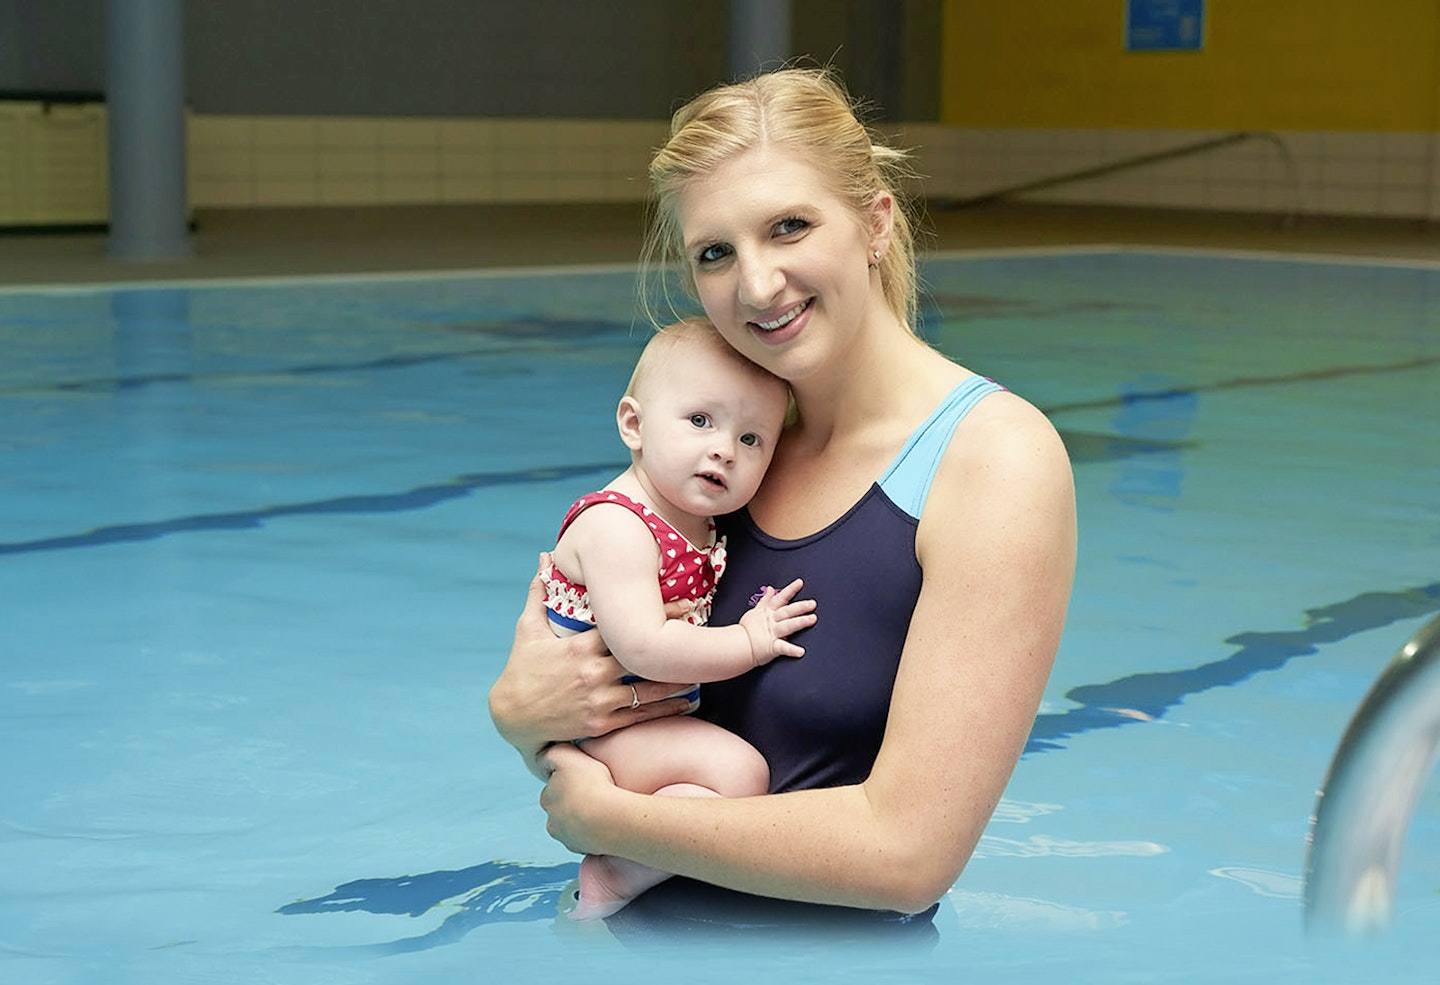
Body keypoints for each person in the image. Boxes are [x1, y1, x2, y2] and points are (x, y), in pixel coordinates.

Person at [489, 66, 1076, 926]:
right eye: (714, 252)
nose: (757, 286)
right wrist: (515, 713)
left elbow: (909, 857)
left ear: (875, 223)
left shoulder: (992, 461)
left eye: (789, 226)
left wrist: (612, 821)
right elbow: (596, 692)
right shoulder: (729, 445)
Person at [541, 316, 817, 919]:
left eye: (752, 440)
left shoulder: (694, 522)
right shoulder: (619, 526)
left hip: (632, 724)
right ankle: (617, 872)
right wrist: (749, 642)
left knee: (715, 785)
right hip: (600, 732)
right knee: (739, 774)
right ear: (633, 425)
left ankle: (634, 850)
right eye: (700, 421)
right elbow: (642, 648)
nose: (723, 447)